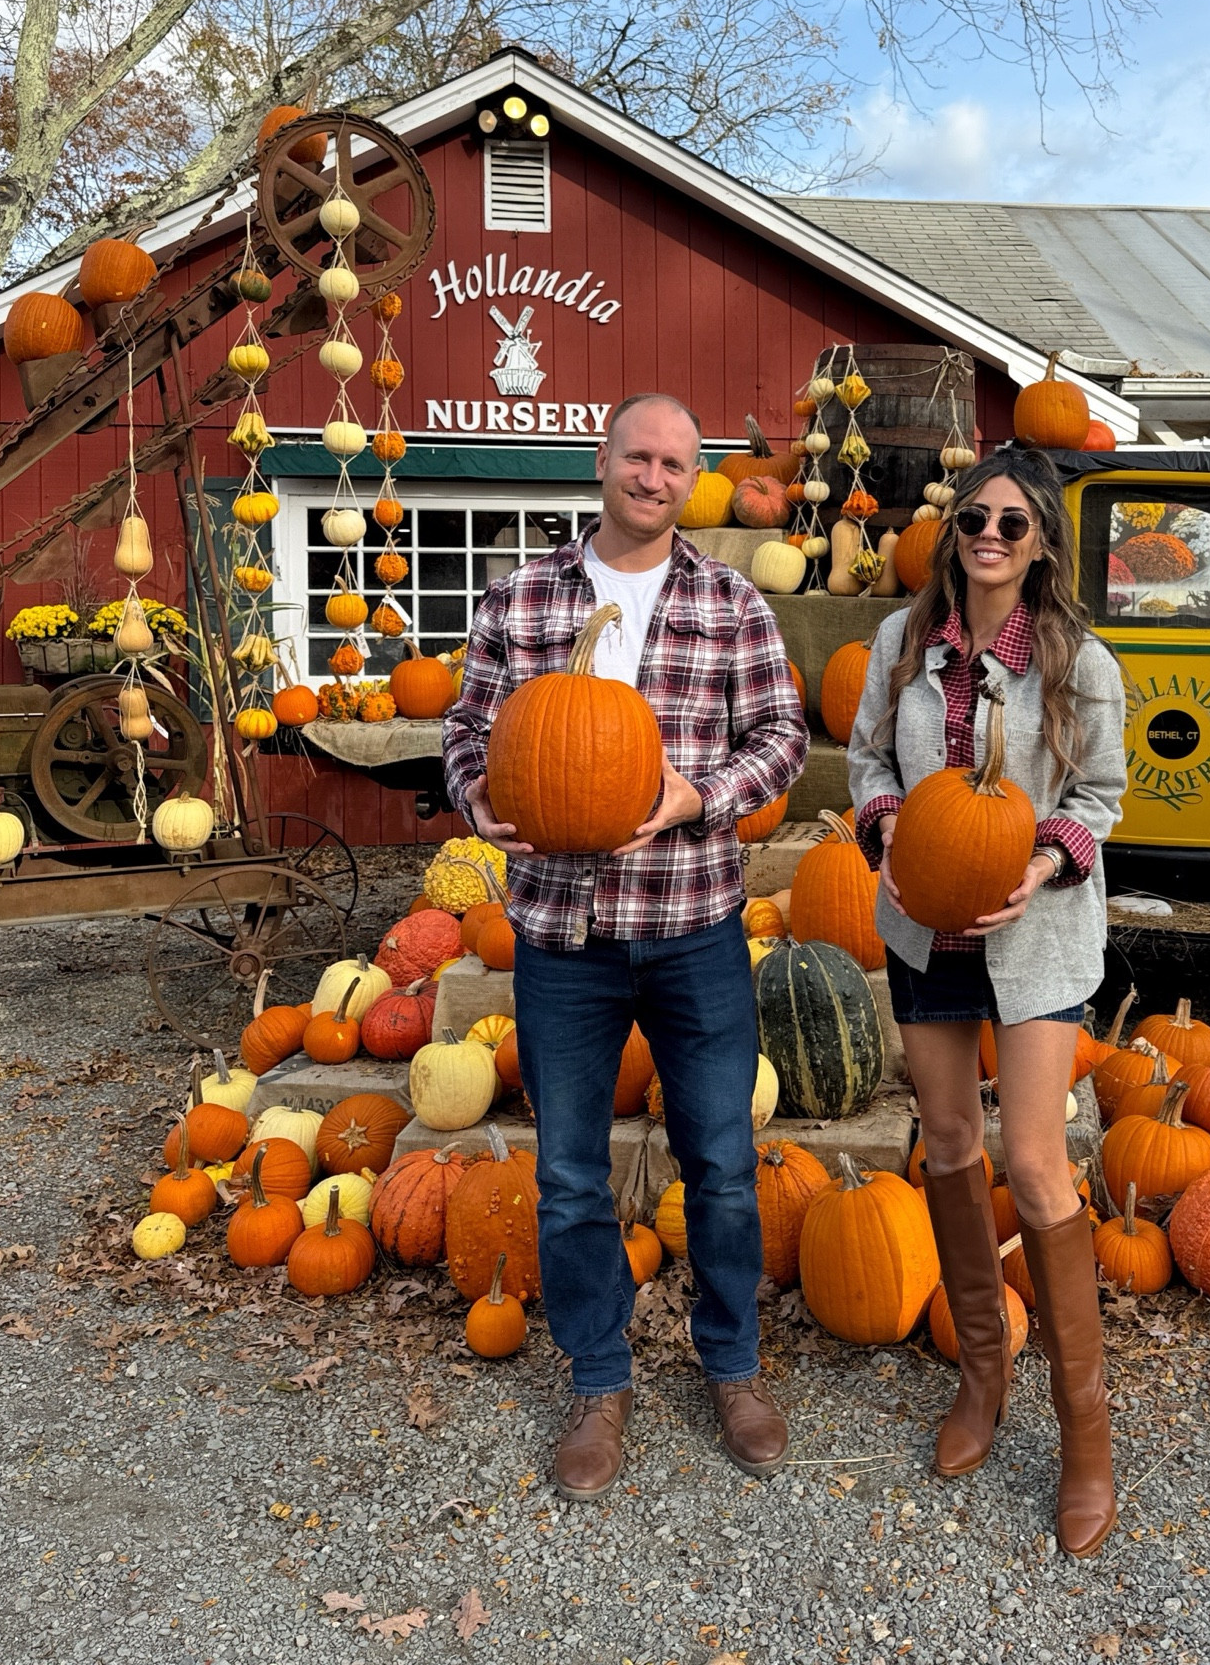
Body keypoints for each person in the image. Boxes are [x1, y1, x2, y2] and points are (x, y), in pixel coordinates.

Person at [443, 392, 808, 1499]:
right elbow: (465, 729)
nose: (653, 476)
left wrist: (702, 792)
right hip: (562, 931)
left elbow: (783, 734)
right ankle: (597, 1379)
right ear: (602, 460)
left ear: (690, 480)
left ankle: (731, 1361)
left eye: (674, 463)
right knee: (565, 1175)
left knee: (723, 1167)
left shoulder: (729, 599)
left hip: (693, 922)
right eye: (637, 456)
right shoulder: (523, 595)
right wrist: (477, 799)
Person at [846, 444, 1127, 1557]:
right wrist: (885, 831)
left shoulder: (1077, 658)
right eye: (975, 518)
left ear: (1042, 540)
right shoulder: (898, 644)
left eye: (1013, 522)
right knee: (950, 1141)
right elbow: (866, 758)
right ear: (951, 529)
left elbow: (1100, 794)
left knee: (1036, 1161)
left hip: (1036, 935)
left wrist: (1048, 861)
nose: (991, 537)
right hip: (925, 920)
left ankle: (1085, 1434)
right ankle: (980, 1374)